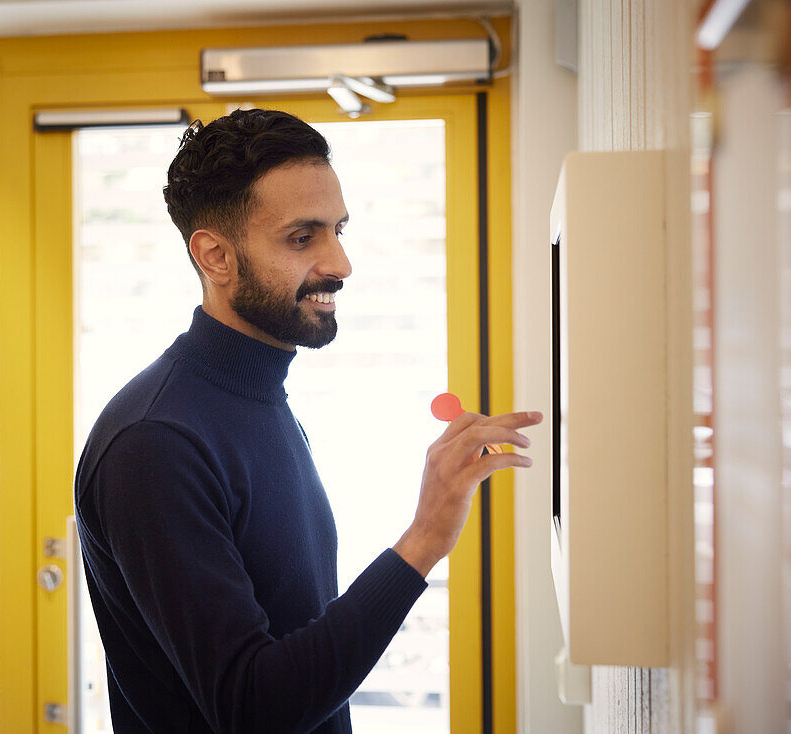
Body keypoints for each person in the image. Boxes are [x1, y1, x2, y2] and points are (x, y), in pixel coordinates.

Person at [73, 108, 542, 734]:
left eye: (338, 230)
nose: (340, 263)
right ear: (215, 256)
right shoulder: (156, 443)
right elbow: (254, 708)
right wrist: (425, 538)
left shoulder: (256, 401)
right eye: (303, 238)